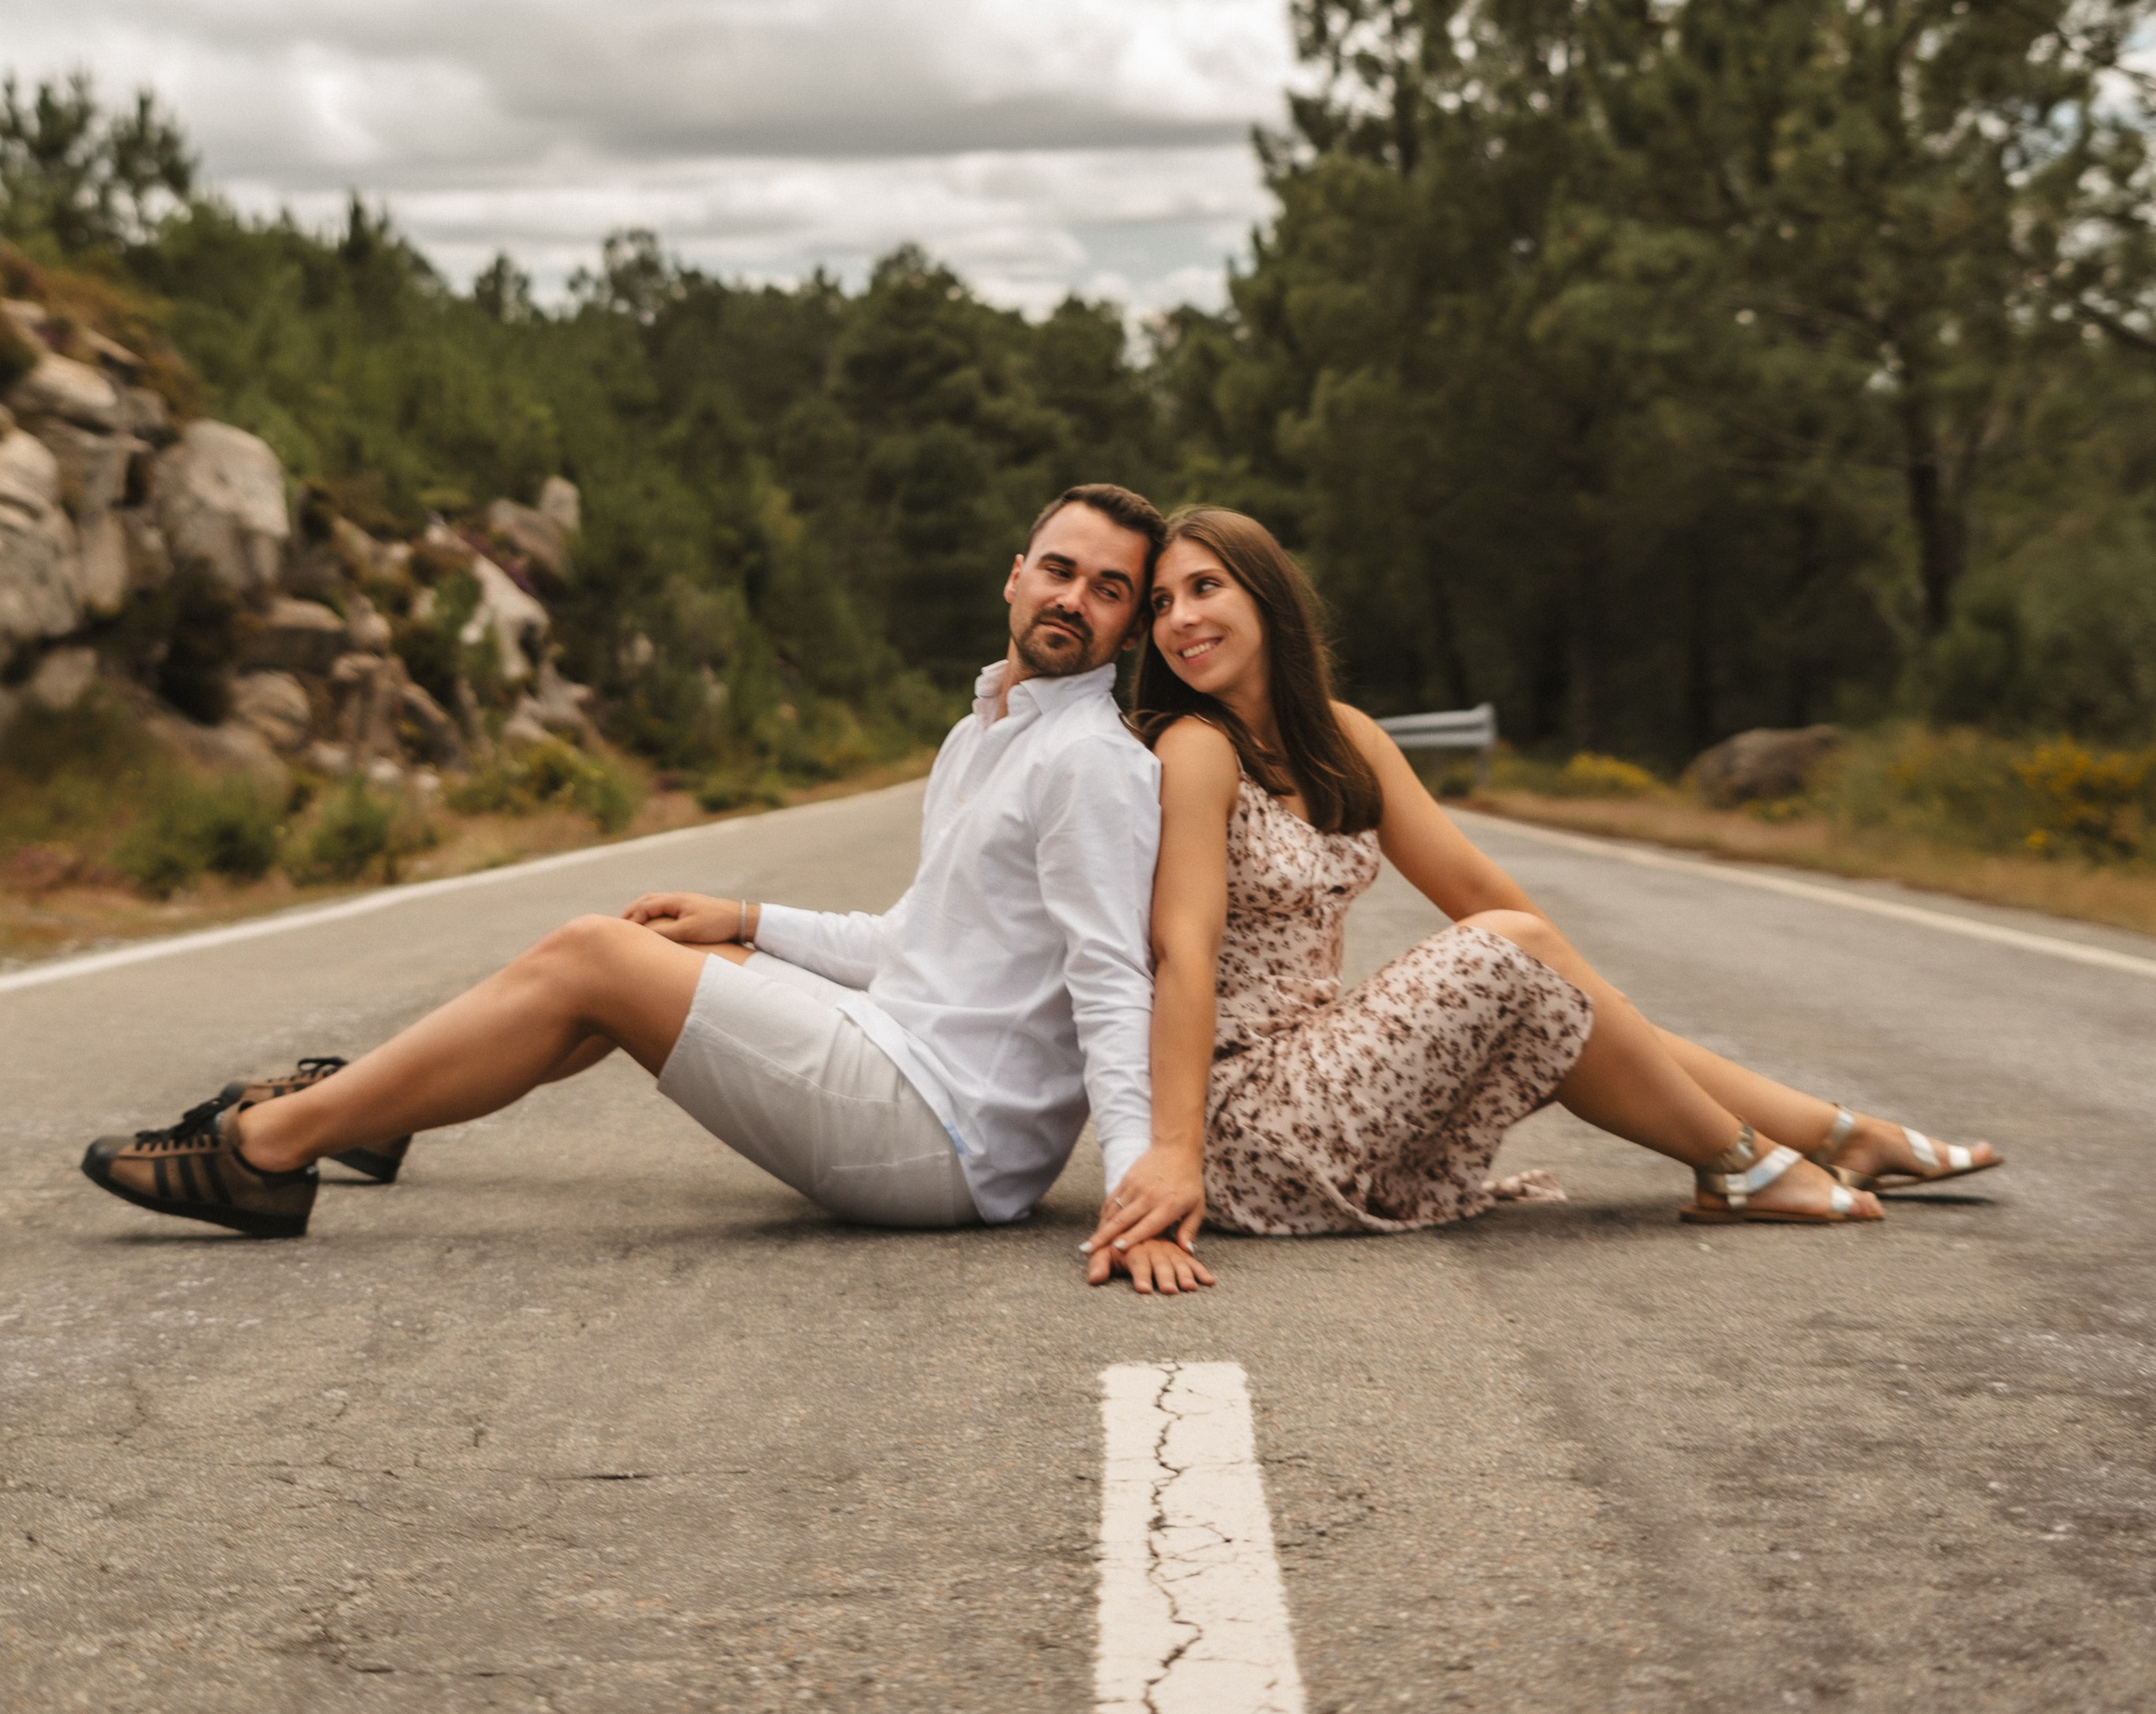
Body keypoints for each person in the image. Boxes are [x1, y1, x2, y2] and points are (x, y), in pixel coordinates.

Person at [82, 483, 1217, 1293]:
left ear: (1127, 627)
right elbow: (915, 942)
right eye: (1060, 570)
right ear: (1016, 574)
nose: (1074, 598)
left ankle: (265, 1151)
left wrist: (1139, 1180)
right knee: (666, 946)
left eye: (1109, 590)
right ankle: (373, 1117)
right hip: (904, 1055)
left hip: (947, 1138)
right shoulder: (987, 732)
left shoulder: (1088, 761)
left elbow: (1114, 981)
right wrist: (745, 920)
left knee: (595, 956)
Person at [1132, 507, 2004, 1236]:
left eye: (1205, 587)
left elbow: (1472, 886)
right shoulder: (1196, 748)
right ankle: (1744, 1162)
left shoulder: (1343, 736)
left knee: (1545, 973)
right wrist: (1174, 1153)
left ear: (1270, 596)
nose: (1179, 619)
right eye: (1161, 602)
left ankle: (1838, 1135)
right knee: (1511, 949)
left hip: (1330, 1082)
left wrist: (1591, 991)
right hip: (1249, 1121)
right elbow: (1183, 952)